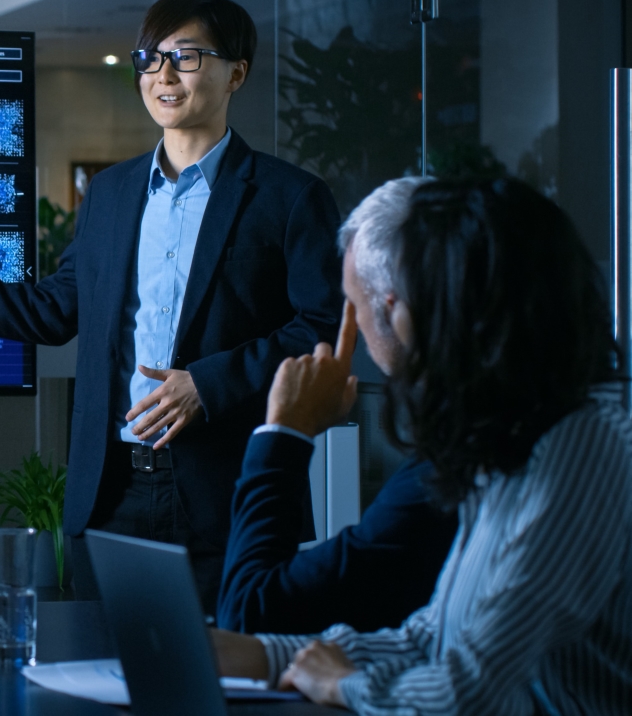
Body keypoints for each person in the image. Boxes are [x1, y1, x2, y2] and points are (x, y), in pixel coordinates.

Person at [0, 0, 343, 605]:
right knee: (102, 682)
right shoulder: (109, 193)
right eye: (150, 57)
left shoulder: (289, 196)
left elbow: (323, 329)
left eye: (186, 57)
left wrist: (206, 384)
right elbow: (54, 311)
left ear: (235, 71)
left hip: (229, 493)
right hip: (112, 495)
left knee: (232, 688)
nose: (163, 75)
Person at [212, 177, 632, 713]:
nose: (361, 327)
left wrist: (343, 685)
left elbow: (468, 689)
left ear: (409, 314)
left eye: (360, 306)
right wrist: (264, 657)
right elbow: (430, 639)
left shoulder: (584, 445)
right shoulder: (505, 444)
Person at [215, 178, 458, 634]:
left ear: (395, 310)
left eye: (351, 303)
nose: (353, 324)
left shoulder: (452, 472)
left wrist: (285, 432)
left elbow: (251, 612)